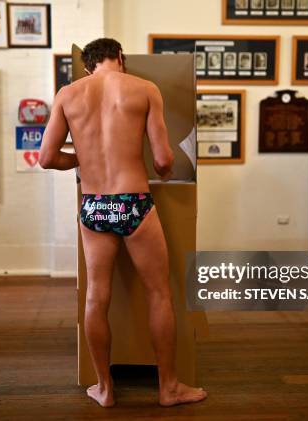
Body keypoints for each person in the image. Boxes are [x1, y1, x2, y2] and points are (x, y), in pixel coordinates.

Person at [39, 38, 207, 408]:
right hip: (133, 202)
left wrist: (82, 157)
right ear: (121, 59)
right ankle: (169, 388)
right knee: (159, 294)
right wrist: (157, 170)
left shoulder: (68, 94)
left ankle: (104, 388)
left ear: (88, 66)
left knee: (96, 297)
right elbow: (163, 160)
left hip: (94, 205)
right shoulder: (145, 89)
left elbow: (48, 157)